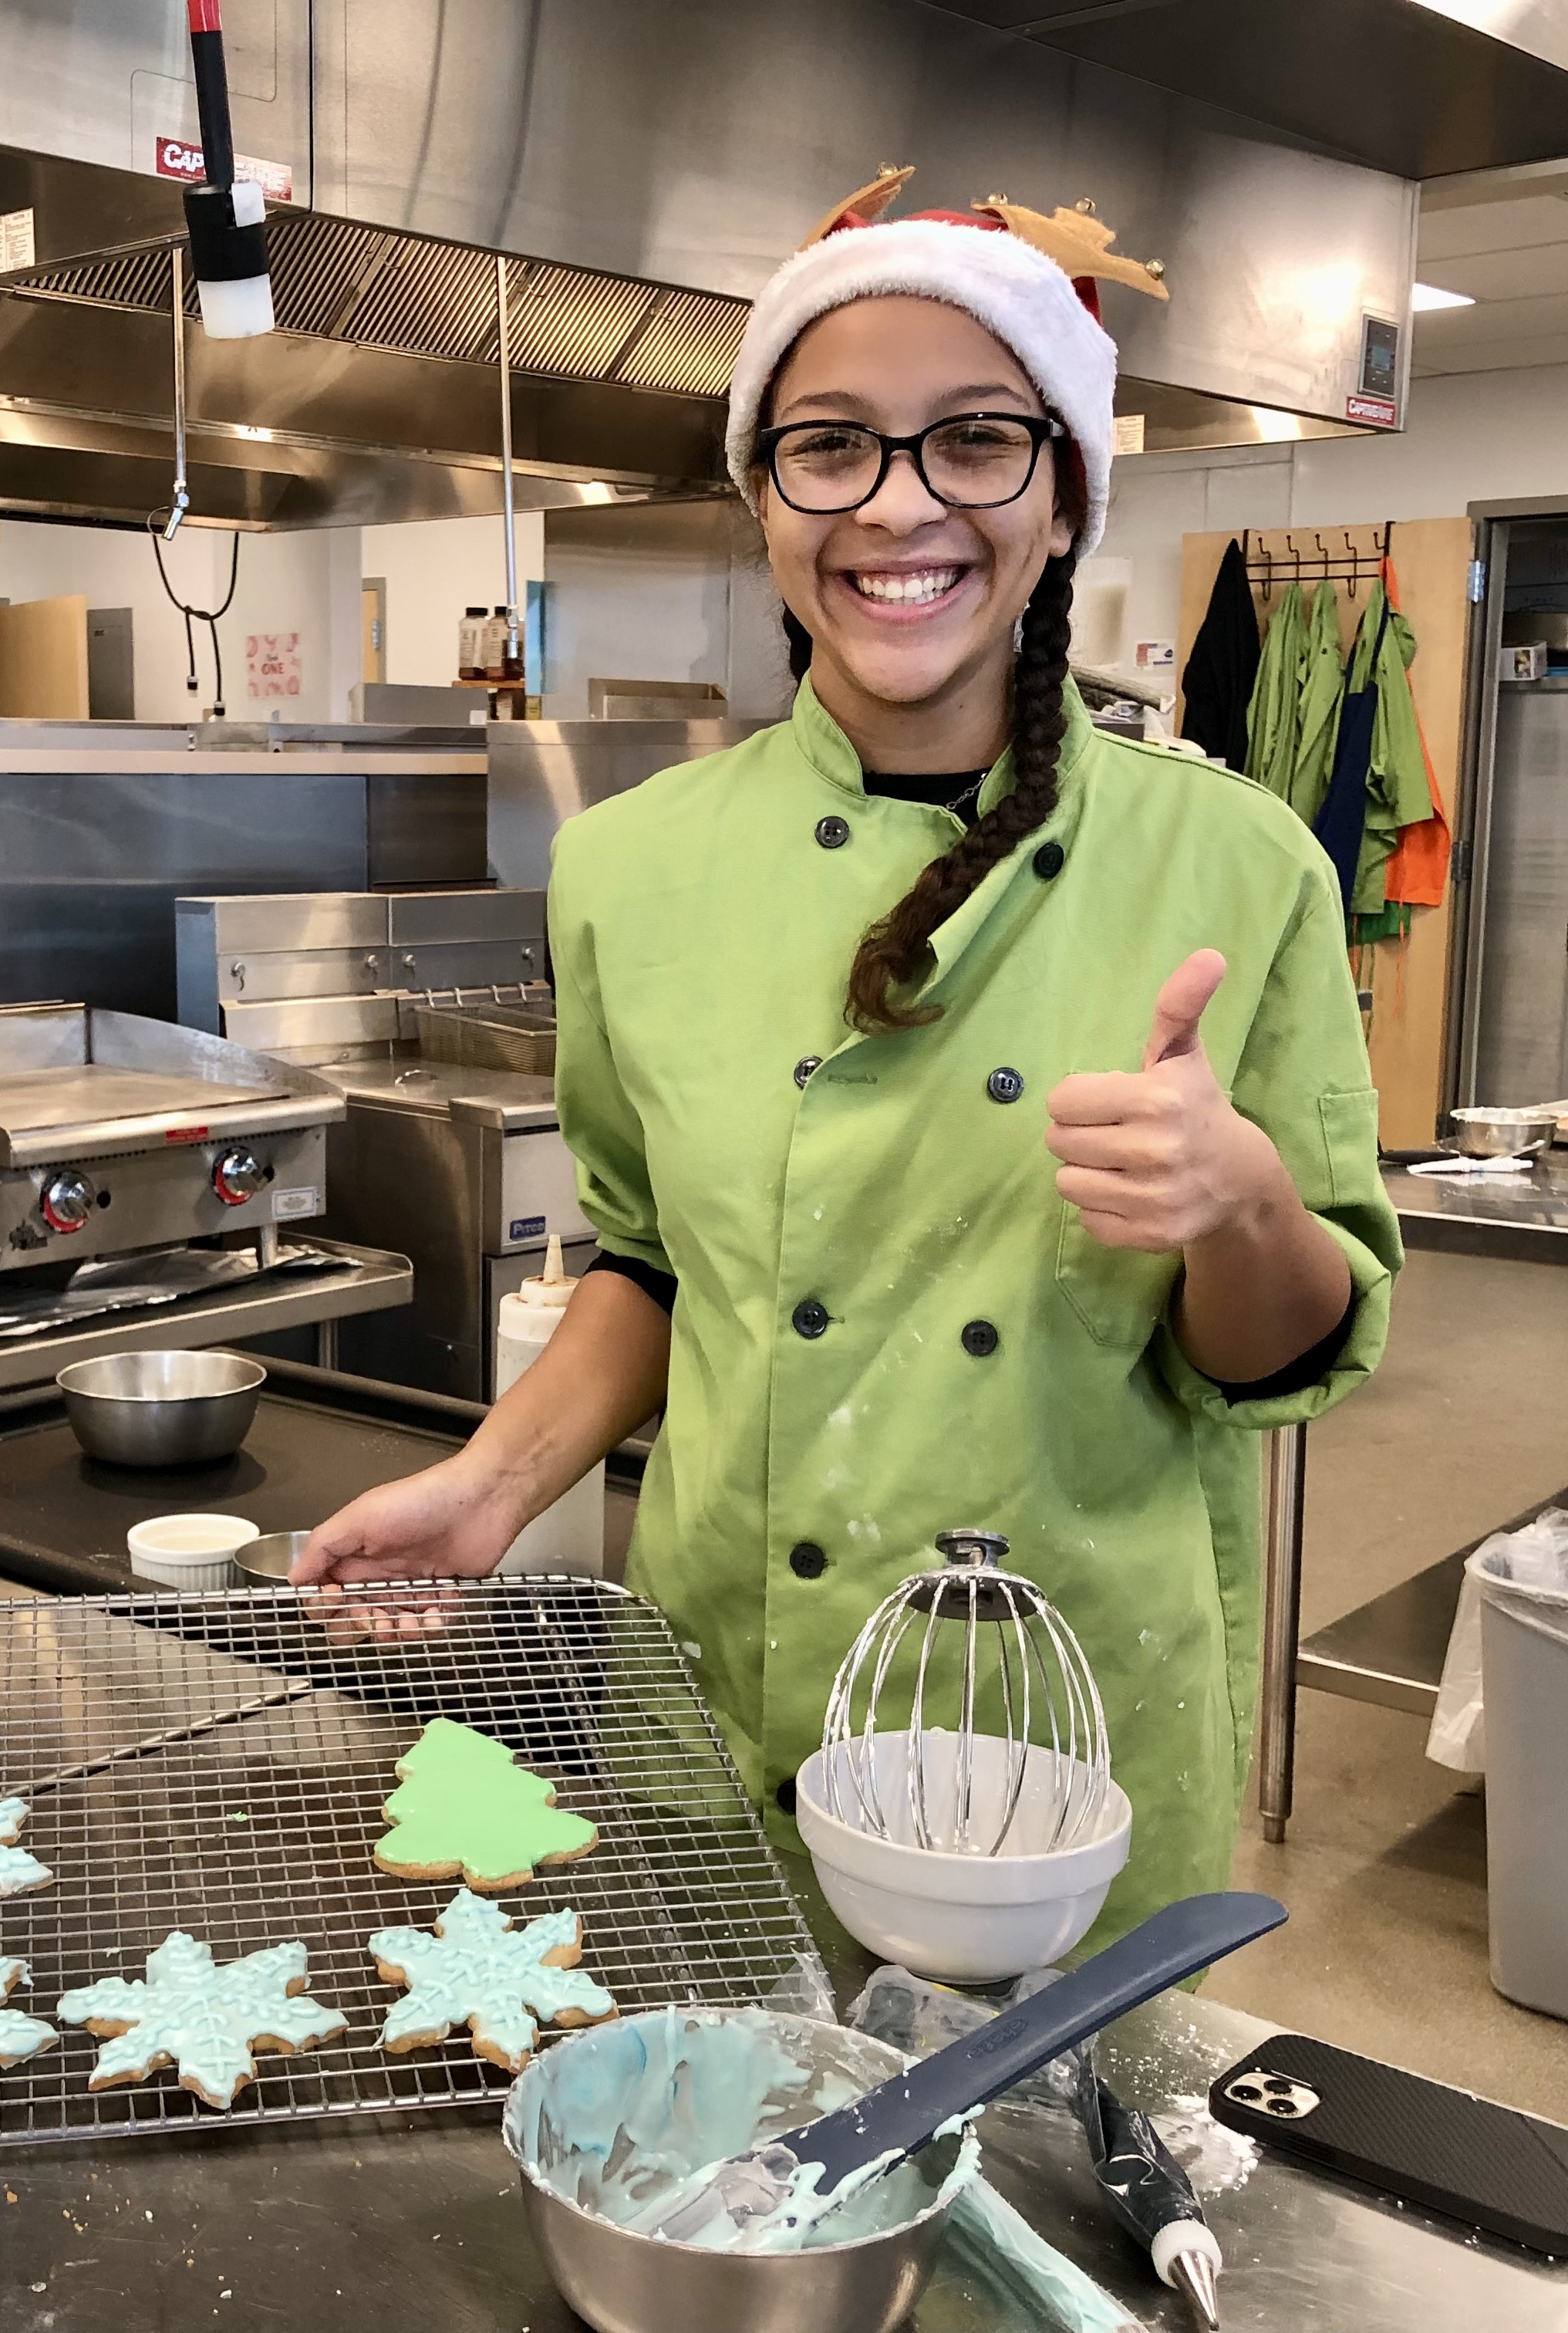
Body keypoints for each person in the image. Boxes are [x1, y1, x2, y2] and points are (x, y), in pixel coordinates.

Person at [297, 178, 1401, 1941]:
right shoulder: (631, 866)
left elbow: (1289, 1349)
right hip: (732, 1693)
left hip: (1060, 1719)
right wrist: (491, 1489)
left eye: (975, 442)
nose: (900, 505)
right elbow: (654, 1262)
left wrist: (1239, 1209)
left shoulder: (1238, 863)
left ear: (1061, 501)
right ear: (764, 500)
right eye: (832, 447)